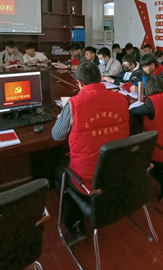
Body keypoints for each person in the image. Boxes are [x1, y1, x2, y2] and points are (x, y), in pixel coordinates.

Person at [52, 62, 129, 244]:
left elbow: (56, 135)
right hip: (117, 168)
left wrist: (64, 118)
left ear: (79, 83)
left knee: (60, 173)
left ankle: (76, 224)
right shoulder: (121, 99)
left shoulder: (73, 104)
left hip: (87, 177)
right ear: (101, 78)